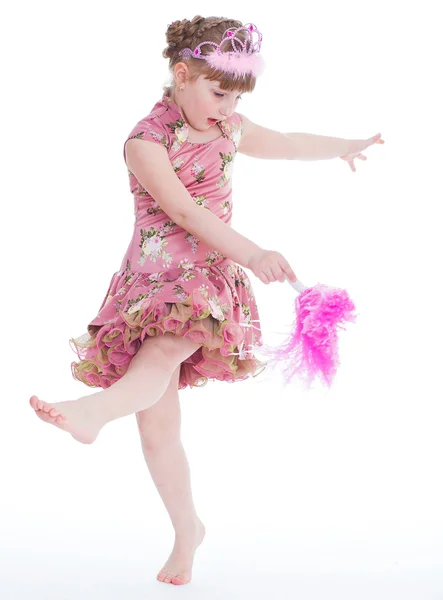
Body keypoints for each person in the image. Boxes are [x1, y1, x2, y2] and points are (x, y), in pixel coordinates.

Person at [29, 16, 299, 586]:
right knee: (157, 429)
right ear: (181, 74)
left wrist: (347, 146)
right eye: (218, 92)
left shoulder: (231, 129)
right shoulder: (145, 142)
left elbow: (290, 144)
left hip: (203, 279)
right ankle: (187, 530)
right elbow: (184, 213)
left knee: (159, 360)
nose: (227, 106)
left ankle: (92, 413)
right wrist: (255, 252)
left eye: (236, 96)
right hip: (151, 280)